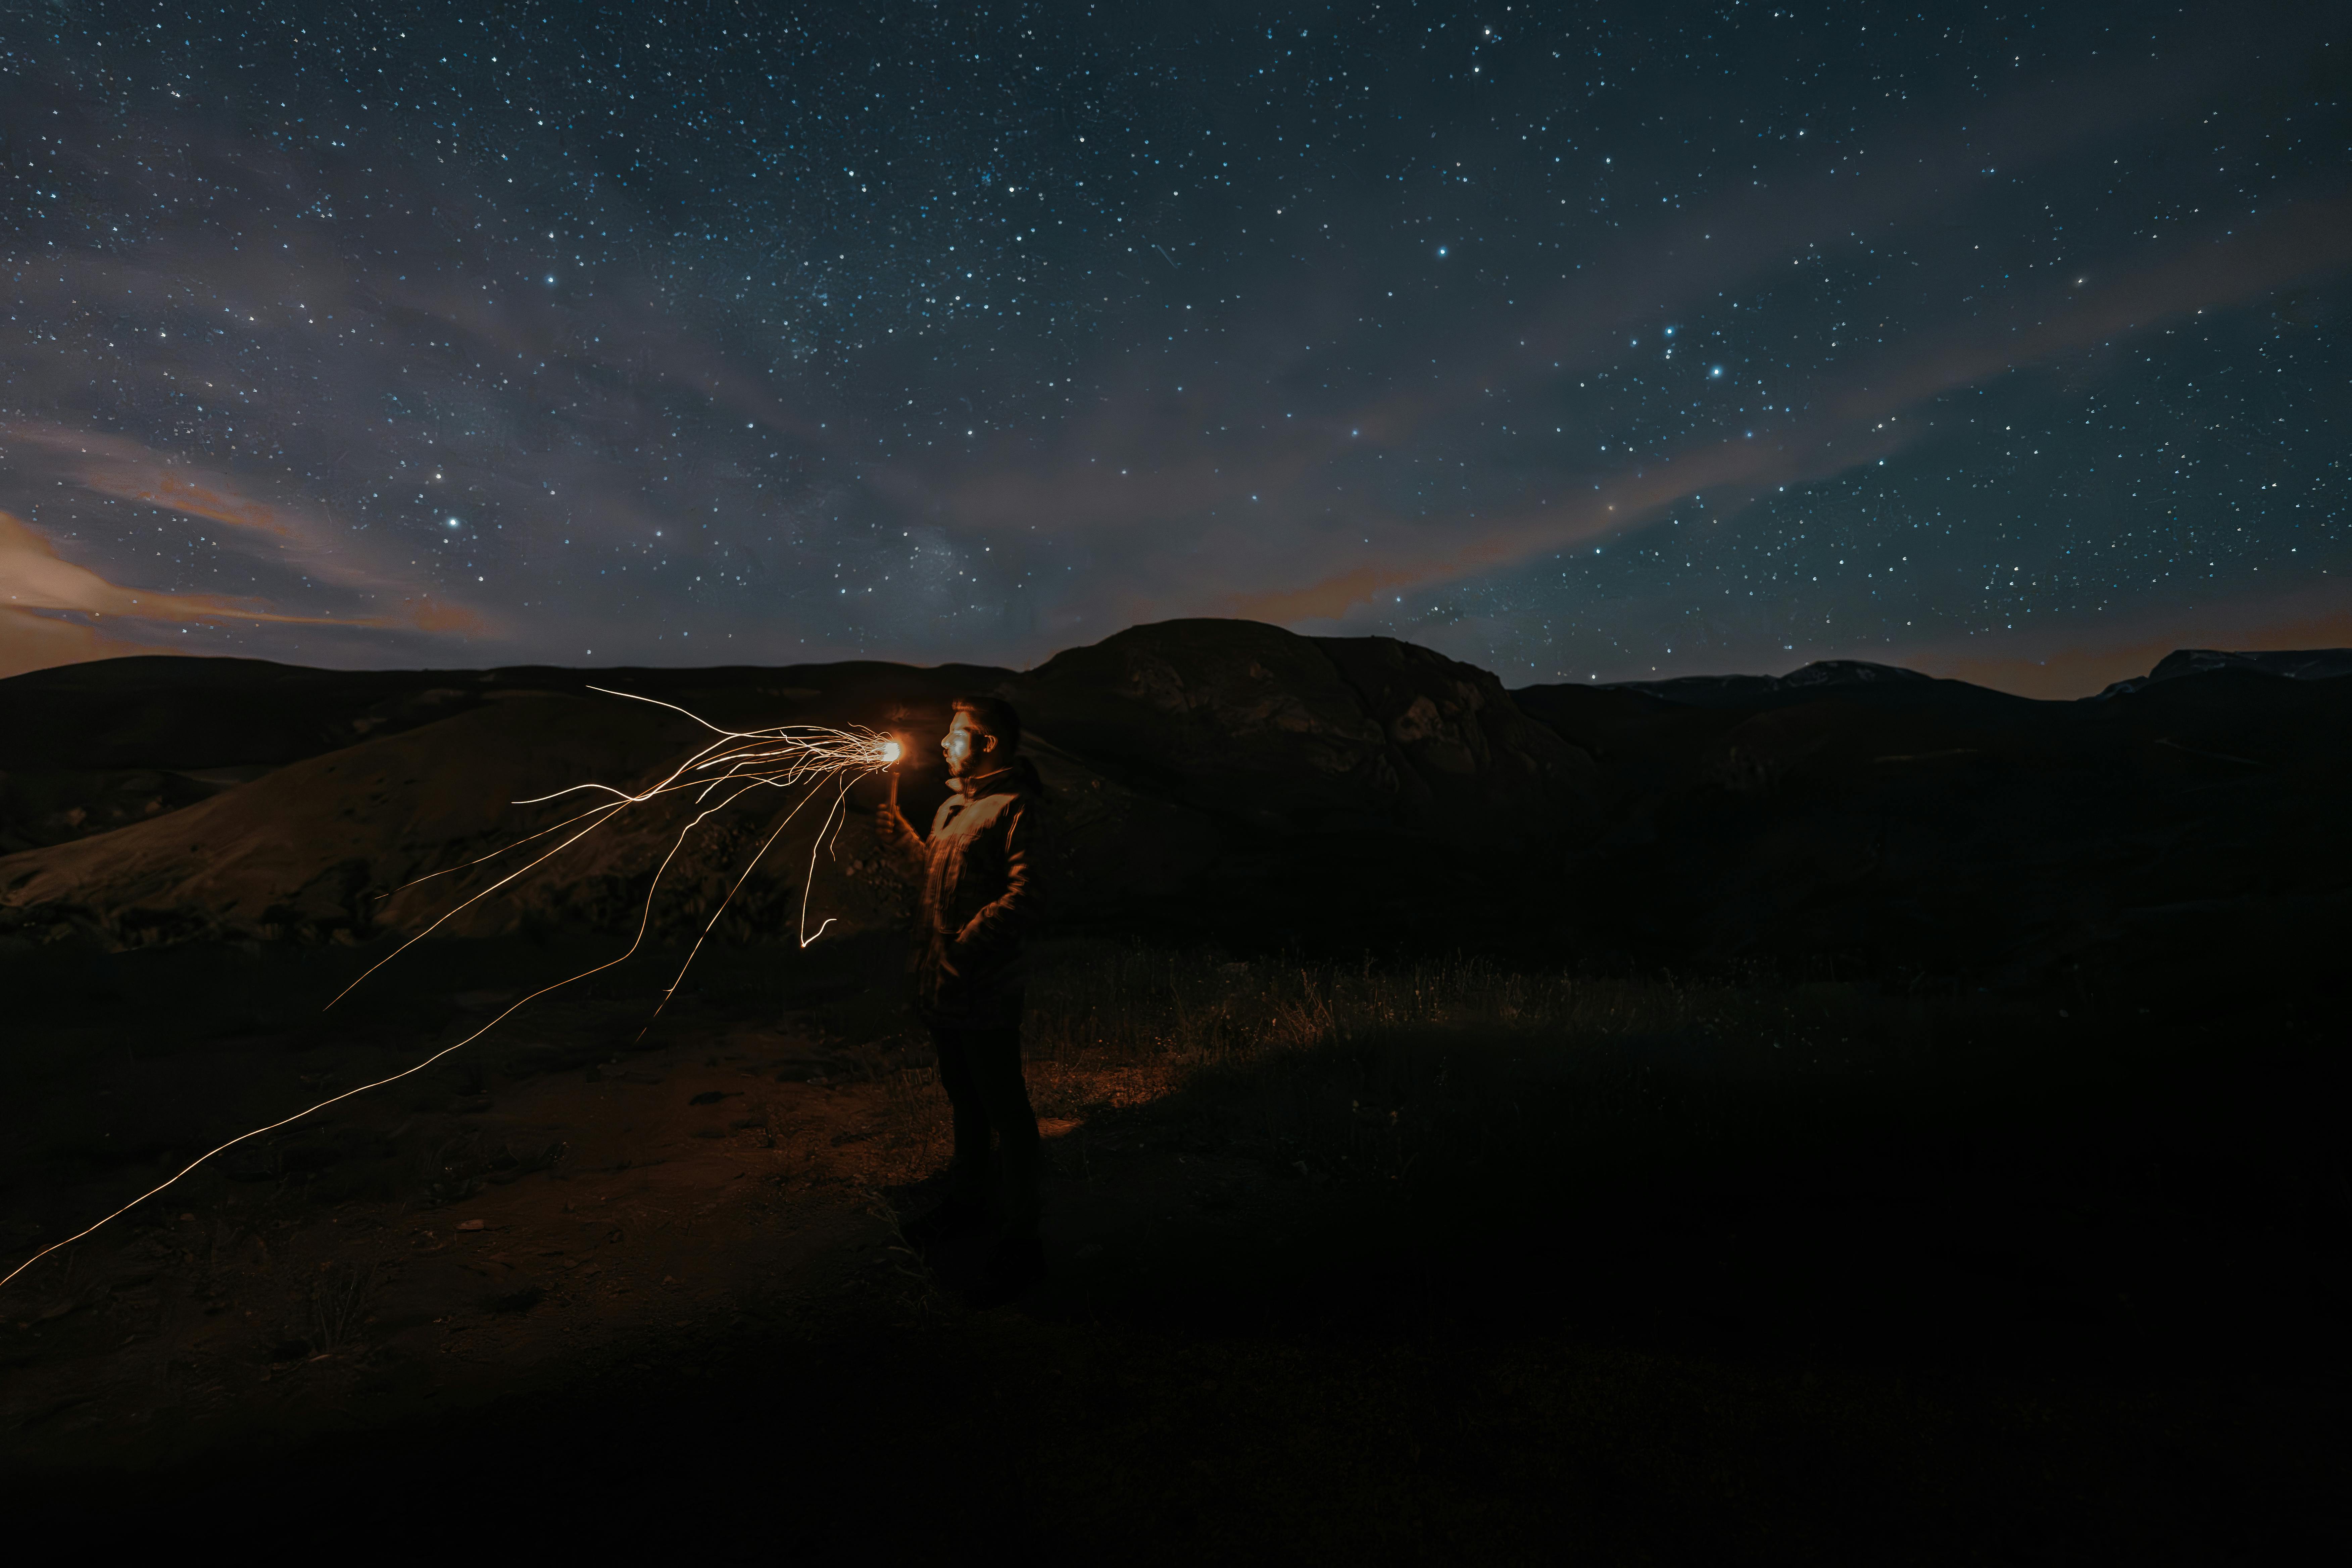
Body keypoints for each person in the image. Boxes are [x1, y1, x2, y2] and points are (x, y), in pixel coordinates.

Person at [875, 695, 1049, 1303]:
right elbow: (934, 881)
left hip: (984, 988)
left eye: (958, 735)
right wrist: (901, 839)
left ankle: (1023, 1234)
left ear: (988, 744)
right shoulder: (953, 809)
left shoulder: (1016, 809)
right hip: (944, 988)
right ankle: (969, 1203)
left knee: (1004, 1105)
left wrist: (963, 953)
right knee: (964, 1099)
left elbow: (1026, 897)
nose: (947, 744)